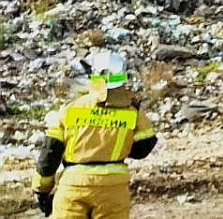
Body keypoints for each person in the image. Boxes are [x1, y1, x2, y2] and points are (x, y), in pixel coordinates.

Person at [32, 50, 157, 218]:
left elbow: (50, 153)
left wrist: (41, 190)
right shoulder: (132, 112)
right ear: (123, 76)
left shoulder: (71, 109)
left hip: (72, 188)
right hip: (114, 190)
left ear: (93, 76)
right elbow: (143, 147)